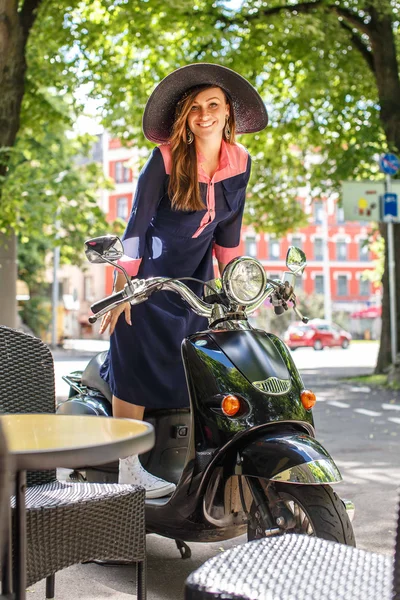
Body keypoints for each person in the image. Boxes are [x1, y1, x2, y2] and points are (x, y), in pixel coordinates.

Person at [99, 63, 268, 498]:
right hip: (150, 277)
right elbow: (136, 229)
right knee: (132, 349)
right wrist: (123, 290)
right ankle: (128, 466)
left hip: (197, 279)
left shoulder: (241, 162)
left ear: (228, 111)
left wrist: (239, 291)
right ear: (185, 117)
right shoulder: (166, 158)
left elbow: (228, 234)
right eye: (195, 108)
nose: (205, 114)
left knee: (206, 364)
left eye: (214, 105)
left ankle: (199, 463)